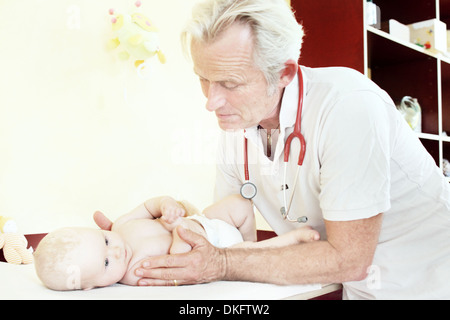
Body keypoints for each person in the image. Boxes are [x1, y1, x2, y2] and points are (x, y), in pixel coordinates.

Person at [112, 0, 450, 299]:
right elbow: (228, 231)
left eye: (230, 83)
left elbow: (349, 259)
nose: (211, 101)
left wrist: (221, 263)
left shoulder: (348, 106)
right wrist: (173, 226)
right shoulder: (239, 124)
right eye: (204, 78)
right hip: (358, 290)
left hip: (430, 284)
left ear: (284, 72)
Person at [34, 195, 319, 290]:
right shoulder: (136, 274)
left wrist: (167, 205)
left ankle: (251, 242)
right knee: (240, 252)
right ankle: (288, 240)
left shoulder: (121, 224)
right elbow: (177, 269)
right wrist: (177, 233)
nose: (117, 249)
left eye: (105, 240)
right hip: (214, 250)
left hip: (206, 222)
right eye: (107, 262)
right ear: (93, 286)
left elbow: (150, 205)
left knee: (240, 204)